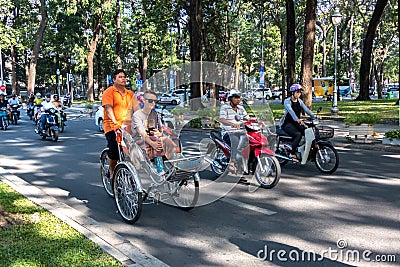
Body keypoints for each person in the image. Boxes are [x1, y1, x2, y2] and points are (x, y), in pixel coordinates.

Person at [102, 69, 140, 178]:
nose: (123, 78)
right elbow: (108, 109)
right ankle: (113, 171)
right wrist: (115, 123)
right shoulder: (109, 92)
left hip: (128, 126)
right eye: (120, 77)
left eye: (124, 76)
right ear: (114, 79)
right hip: (111, 125)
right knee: (114, 150)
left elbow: (137, 110)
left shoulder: (130, 94)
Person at [131, 90, 177, 177]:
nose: (153, 103)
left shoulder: (155, 114)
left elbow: (161, 129)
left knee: (168, 140)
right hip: (140, 140)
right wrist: (153, 143)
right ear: (144, 100)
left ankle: (175, 164)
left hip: (154, 138)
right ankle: (160, 169)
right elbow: (141, 132)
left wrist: (159, 133)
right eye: (150, 100)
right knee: (157, 142)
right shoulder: (137, 115)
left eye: (155, 101)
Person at [279, 83, 317, 162]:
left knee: (308, 131)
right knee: (298, 134)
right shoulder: (287, 101)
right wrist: (297, 119)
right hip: (287, 124)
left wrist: (314, 117)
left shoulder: (299, 101)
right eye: (297, 92)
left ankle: (309, 149)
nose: (299, 94)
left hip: (296, 123)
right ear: (292, 93)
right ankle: (292, 153)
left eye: (300, 92)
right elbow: (291, 111)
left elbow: (306, 110)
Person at [219, 89, 249, 172]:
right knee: (235, 141)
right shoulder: (225, 107)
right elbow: (222, 119)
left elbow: (248, 118)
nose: (238, 99)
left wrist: (258, 121)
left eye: (239, 97)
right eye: (235, 97)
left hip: (241, 131)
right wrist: (233, 124)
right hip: (229, 132)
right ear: (230, 99)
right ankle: (232, 163)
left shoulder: (241, 108)